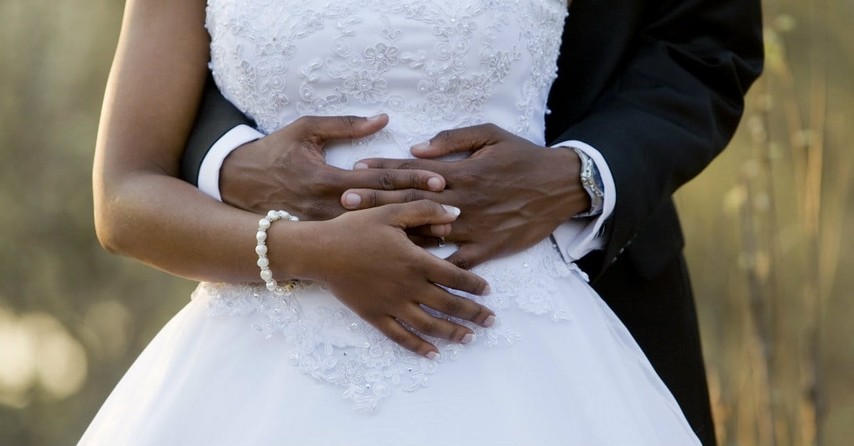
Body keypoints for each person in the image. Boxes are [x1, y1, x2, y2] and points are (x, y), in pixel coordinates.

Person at [80, 0, 760, 445]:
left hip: (536, 329)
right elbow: (126, 190)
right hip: (263, 347)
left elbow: (704, 42)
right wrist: (306, 247)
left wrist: (574, 175)